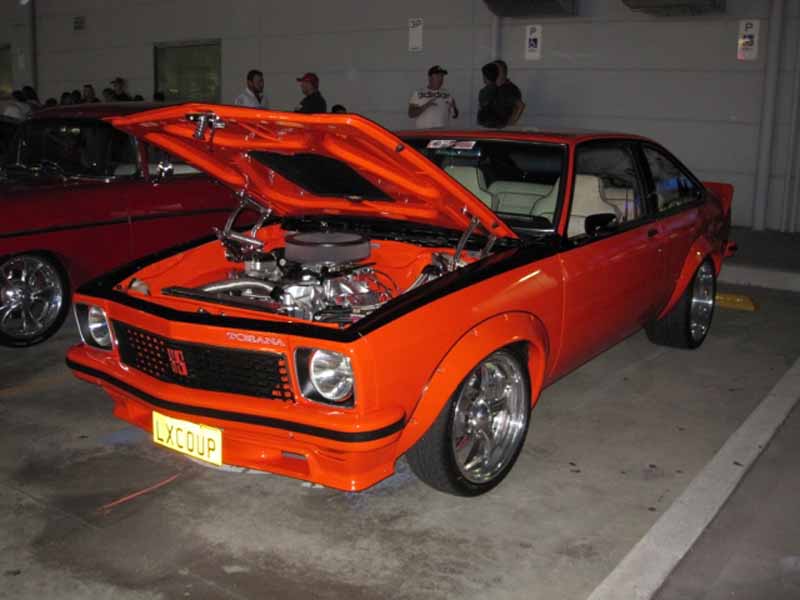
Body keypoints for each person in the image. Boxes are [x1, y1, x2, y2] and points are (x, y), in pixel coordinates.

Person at [408, 65, 458, 129]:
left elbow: (455, 115)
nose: (440, 79)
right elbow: (411, 114)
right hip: (424, 132)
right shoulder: (418, 93)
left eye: (442, 76)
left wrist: (454, 107)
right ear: (430, 77)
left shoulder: (447, 94)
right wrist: (426, 105)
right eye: (437, 76)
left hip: (442, 132)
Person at [493, 59, 525, 127]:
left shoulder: (509, 89)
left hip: (503, 128)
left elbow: (520, 105)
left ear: (503, 72)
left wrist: (512, 122)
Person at [477, 62, 501, 128]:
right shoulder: (501, 90)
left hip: (486, 124)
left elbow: (482, 106)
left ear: (485, 77)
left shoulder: (483, 92)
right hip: (498, 123)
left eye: (483, 75)